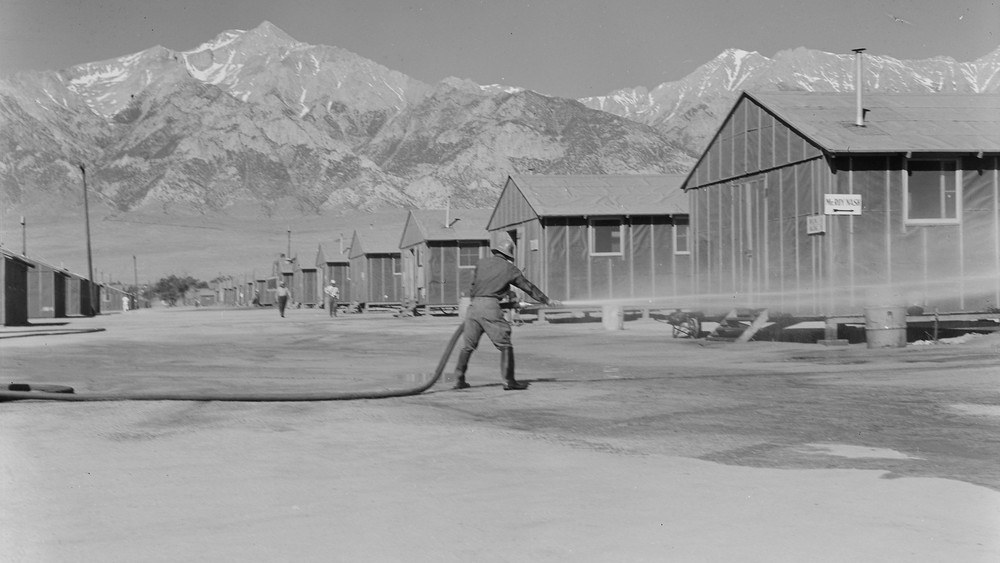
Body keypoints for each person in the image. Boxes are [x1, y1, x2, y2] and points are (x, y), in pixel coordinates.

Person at [453, 238, 560, 391]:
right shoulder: (510, 269)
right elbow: (528, 288)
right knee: (505, 344)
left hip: (473, 307)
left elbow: (476, 286)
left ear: (496, 251)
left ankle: (458, 380)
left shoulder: (481, 263)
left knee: (468, 346)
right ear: (509, 255)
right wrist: (547, 300)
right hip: (490, 308)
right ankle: (509, 381)